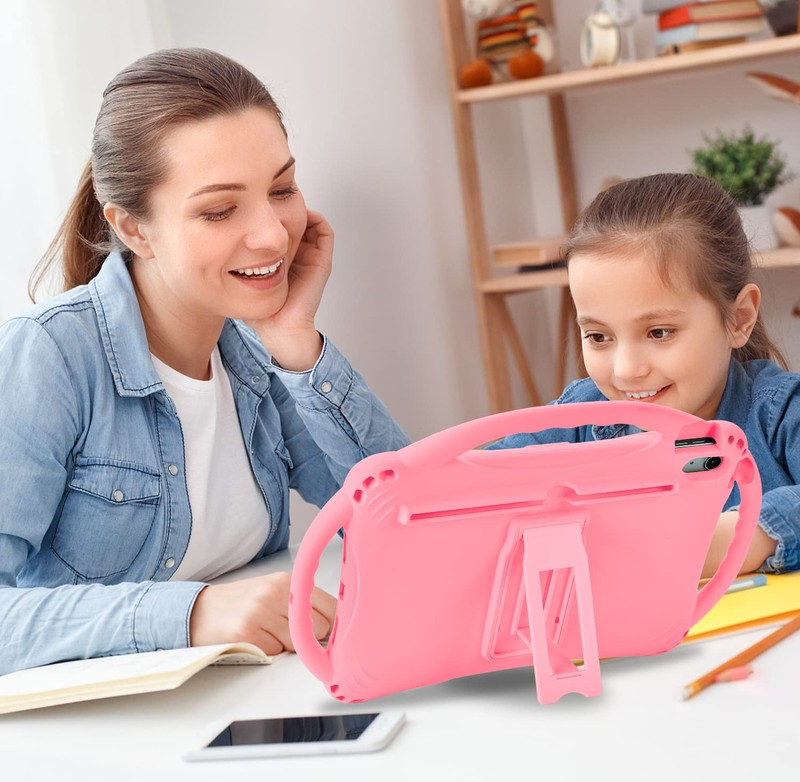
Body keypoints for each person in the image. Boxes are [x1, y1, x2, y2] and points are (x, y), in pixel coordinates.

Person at [0, 48, 409, 676]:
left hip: (260, 692)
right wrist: (190, 614)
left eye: (282, 190)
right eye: (220, 211)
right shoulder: (48, 355)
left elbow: (407, 521)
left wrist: (298, 345)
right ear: (133, 229)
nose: (273, 234)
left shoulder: (256, 348)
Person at [491, 172, 800, 578]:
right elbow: (471, 489)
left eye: (659, 333)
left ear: (739, 319)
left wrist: (741, 537)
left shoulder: (779, 413)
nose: (626, 370)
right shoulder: (579, 419)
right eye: (599, 337)